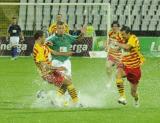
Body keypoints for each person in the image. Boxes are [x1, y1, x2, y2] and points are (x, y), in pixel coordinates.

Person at [33, 30, 82, 107]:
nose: (45, 38)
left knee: (66, 83)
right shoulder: (38, 49)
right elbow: (44, 65)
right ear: (40, 38)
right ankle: (76, 103)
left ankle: (52, 98)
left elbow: (54, 53)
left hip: (50, 71)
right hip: (46, 73)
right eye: (44, 37)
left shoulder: (43, 46)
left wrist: (66, 53)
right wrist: (58, 68)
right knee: (68, 83)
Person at [47, 21, 86, 99]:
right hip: (57, 62)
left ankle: (58, 98)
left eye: (62, 28)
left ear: (65, 29)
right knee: (65, 81)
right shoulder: (52, 39)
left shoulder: (68, 36)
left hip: (66, 62)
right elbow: (45, 44)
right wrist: (48, 43)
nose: (61, 29)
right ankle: (74, 100)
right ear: (56, 29)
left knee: (68, 81)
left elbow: (78, 39)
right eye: (59, 28)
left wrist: (82, 33)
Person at [113, 26, 144, 107]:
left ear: (129, 33)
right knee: (118, 74)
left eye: (123, 34)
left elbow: (127, 47)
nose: (122, 36)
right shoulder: (123, 38)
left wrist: (117, 44)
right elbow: (119, 48)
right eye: (121, 34)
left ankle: (136, 99)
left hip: (135, 68)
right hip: (125, 65)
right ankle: (122, 97)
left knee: (133, 93)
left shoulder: (133, 38)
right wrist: (113, 48)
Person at [105, 21, 124, 86]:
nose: (114, 27)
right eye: (113, 26)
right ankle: (109, 80)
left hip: (119, 56)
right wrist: (106, 46)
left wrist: (118, 47)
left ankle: (121, 81)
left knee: (120, 72)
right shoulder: (110, 32)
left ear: (118, 27)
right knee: (107, 67)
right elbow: (109, 40)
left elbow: (123, 44)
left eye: (116, 26)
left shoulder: (121, 34)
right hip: (111, 54)